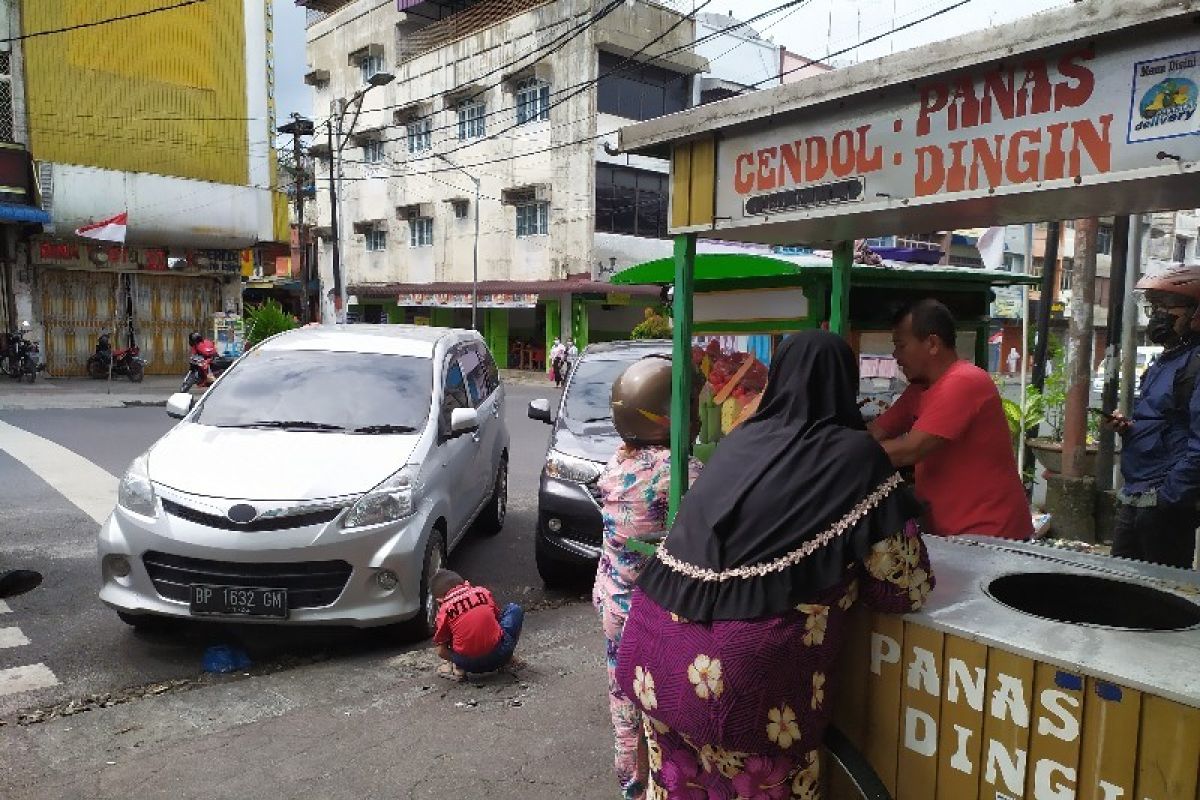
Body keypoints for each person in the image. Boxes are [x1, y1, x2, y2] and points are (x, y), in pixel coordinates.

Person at [614, 331, 934, 799]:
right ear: (844, 383)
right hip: (743, 684)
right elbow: (906, 585)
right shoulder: (856, 456)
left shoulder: (740, 441)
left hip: (653, 650)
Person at [594, 356, 703, 800]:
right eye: (691, 406)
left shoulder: (618, 463)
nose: (696, 415)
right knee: (659, 702)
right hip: (650, 610)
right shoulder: (678, 471)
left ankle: (630, 782)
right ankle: (650, 784)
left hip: (612, 601)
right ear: (666, 416)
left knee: (623, 698)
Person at [868, 299, 1033, 539]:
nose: (896, 356)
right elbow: (877, 432)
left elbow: (910, 450)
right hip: (950, 532)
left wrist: (842, 458)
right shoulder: (919, 389)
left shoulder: (964, 381)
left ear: (932, 344)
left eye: (901, 346)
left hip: (989, 533)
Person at [1104, 264, 1200, 568]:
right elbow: (1162, 421)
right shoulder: (1167, 360)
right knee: (1118, 589)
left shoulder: (1195, 364)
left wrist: (1168, 497)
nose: (1157, 313)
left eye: (1167, 305)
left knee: (1160, 602)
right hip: (1135, 495)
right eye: (1154, 305)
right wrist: (1129, 428)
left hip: (1162, 502)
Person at [430, 569, 524, 679]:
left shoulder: (444, 609)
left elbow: (441, 651)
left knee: (452, 631)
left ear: (439, 600)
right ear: (465, 583)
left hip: (468, 664)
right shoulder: (482, 592)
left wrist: (456, 659)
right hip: (501, 654)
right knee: (513, 609)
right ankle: (509, 660)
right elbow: (496, 619)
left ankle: (458, 669)